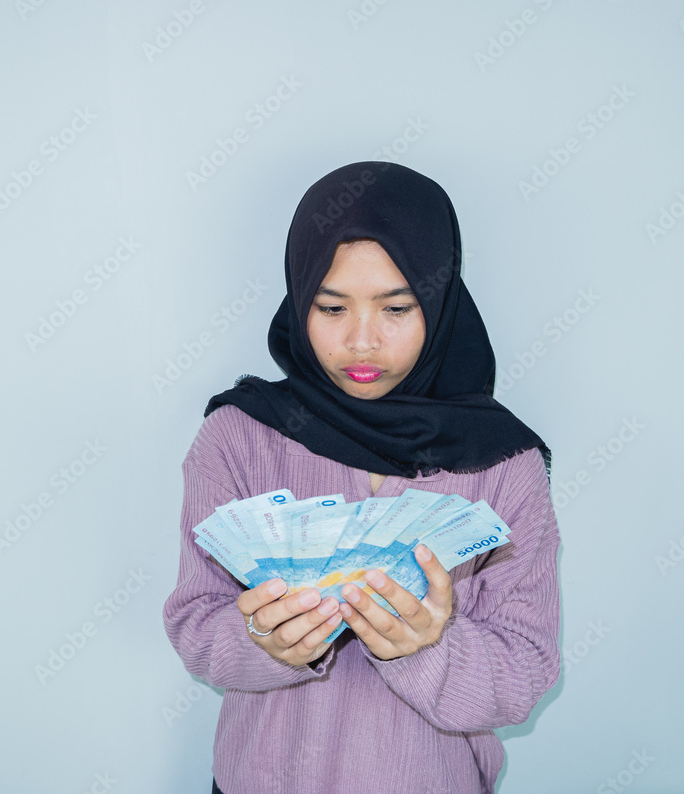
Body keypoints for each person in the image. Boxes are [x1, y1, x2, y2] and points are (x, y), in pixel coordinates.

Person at [163, 161, 560, 794]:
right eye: (331, 306)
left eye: (397, 308)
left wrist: (430, 648)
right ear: (299, 300)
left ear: (439, 301)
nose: (361, 341)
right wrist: (265, 641)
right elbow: (194, 623)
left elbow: (524, 671)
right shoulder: (238, 437)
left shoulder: (502, 465)